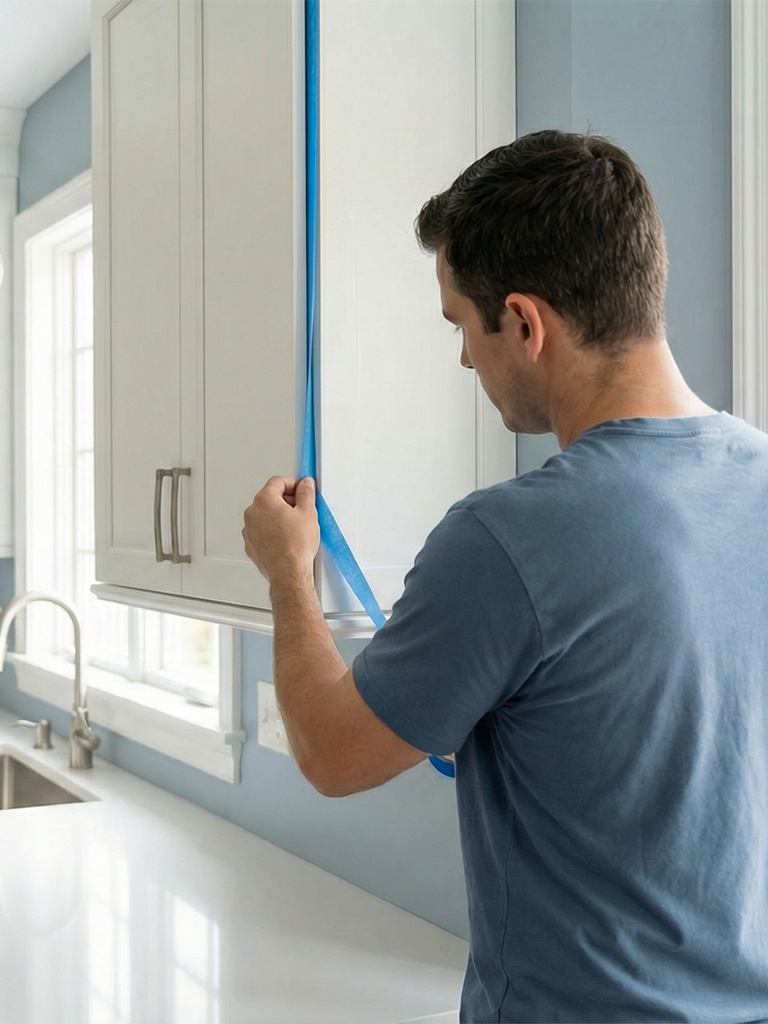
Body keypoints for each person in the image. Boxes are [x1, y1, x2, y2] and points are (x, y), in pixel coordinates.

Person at [242, 131, 768, 1023]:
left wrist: (288, 574)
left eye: (460, 324)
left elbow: (332, 755)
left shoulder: (505, 538)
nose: (462, 360)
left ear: (524, 324)